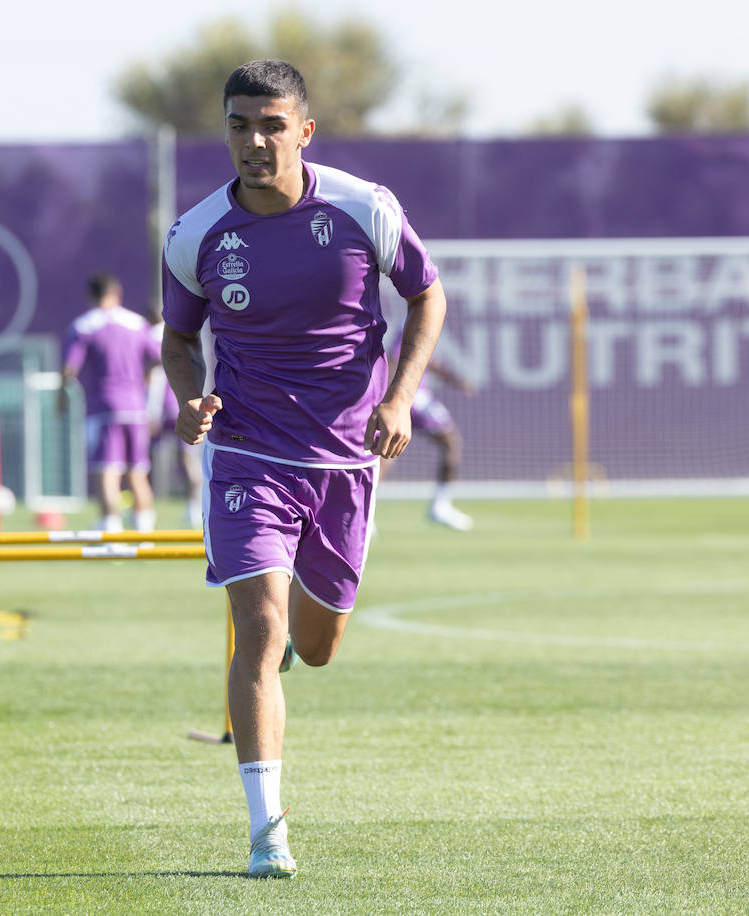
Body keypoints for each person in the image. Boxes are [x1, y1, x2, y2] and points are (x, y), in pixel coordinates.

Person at [159, 60, 447, 878]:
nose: (256, 141)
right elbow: (177, 341)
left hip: (350, 458)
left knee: (314, 648)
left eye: (272, 125)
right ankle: (266, 831)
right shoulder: (195, 236)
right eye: (241, 124)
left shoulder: (365, 208)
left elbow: (428, 296)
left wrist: (400, 399)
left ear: (304, 130)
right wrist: (191, 401)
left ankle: (295, 642)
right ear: (224, 131)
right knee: (257, 628)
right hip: (247, 450)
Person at [60, 273, 160, 533]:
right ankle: (144, 534)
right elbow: (159, 358)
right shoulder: (137, 324)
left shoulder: (84, 326)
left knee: (108, 471)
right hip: (136, 408)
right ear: (117, 294)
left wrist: (61, 394)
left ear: (91, 296)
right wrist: (145, 381)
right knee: (137, 473)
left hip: (103, 407)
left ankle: (111, 531)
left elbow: (70, 368)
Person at [380, 340, 476, 531]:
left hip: (410, 397)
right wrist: (391, 395)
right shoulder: (412, 320)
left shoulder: (427, 325)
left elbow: (428, 360)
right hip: (412, 397)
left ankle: (365, 510)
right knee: (450, 442)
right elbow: (394, 359)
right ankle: (440, 506)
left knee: (386, 453)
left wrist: (454, 380)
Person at [146, 311, 204, 527]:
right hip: (183, 402)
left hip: (164, 406)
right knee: (188, 459)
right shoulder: (187, 331)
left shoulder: (151, 335)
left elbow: (155, 378)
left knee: (146, 461)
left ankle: (145, 511)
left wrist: (150, 411)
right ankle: (193, 508)